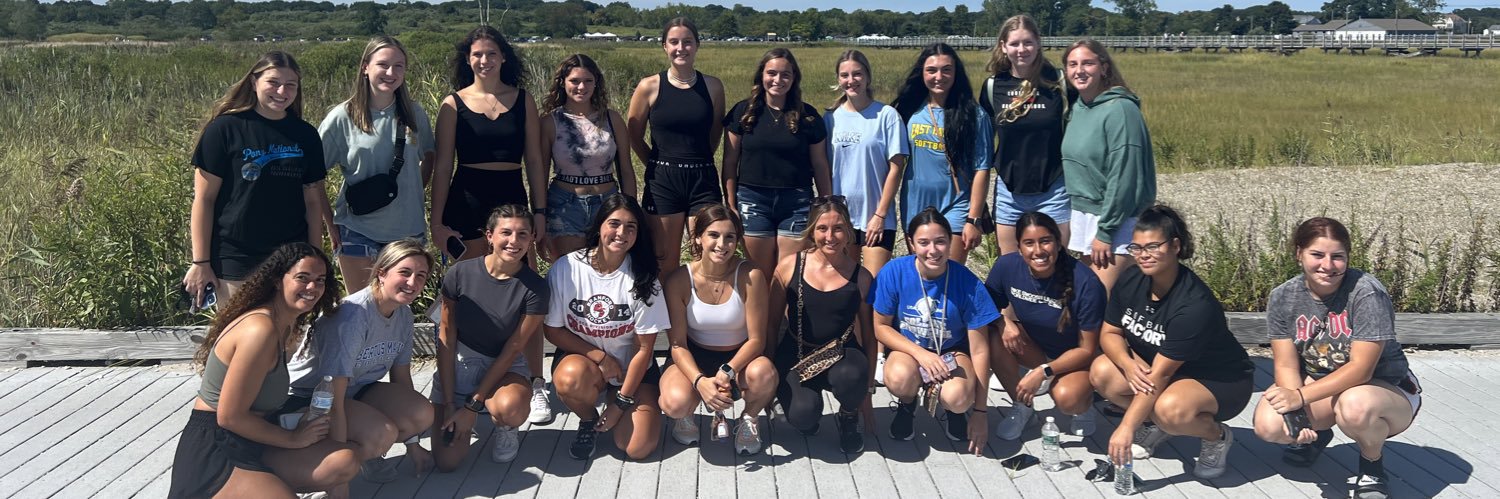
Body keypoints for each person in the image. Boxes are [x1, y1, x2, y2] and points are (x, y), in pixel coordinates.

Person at [428, 26, 552, 427]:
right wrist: (437, 220)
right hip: (467, 199)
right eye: (478, 54)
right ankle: (457, 382)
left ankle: (535, 382)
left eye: (492, 53)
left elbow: (535, 160)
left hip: (512, 197)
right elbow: (443, 165)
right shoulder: (453, 103)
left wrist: (540, 211)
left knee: (525, 292)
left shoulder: (523, 100)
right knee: (466, 296)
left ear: (503, 57)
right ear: (468, 58)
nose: (485, 60)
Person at [169, 243, 357, 499]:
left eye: (320, 280)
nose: (313, 287)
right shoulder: (260, 329)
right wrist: (293, 439)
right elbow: (229, 417)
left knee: (343, 461)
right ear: (278, 280)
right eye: (303, 278)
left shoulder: (285, 324)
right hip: (217, 447)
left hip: (254, 436)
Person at [1253, 217, 1420, 499]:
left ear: (1348, 258)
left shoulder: (1366, 292)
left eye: (1337, 257)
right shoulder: (1283, 296)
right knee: (1270, 424)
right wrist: (1297, 416)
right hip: (1320, 384)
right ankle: (1318, 435)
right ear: (1299, 254)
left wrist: (1301, 398)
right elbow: (1285, 363)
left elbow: (1361, 370)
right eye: (1317, 255)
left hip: (1386, 389)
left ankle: (1372, 466)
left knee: (1355, 405)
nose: (1327, 266)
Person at [1088, 204, 1252, 480]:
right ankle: (1153, 424)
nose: (1143, 255)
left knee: (1169, 411)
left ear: (1175, 246)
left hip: (1219, 379)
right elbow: (1109, 333)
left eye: (1153, 246)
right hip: (1161, 369)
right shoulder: (1131, 279)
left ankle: (1216, 436)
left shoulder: (1193, 304)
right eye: (1136, 248)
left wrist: (1126, 427)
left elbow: (1160, 376)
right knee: (1103, 371)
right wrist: (1127, 364)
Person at [182, 51, 329, 306]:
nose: (282, 91)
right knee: (237, 337)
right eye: (273, 82)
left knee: (286, 337)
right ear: (254, 82)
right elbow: (204, 200)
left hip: (291, 256)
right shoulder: (225, 129)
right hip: (236, 257)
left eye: (290, 85)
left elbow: (313, 202)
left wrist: (315, 258)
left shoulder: (306, 135)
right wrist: (201, 262)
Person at [286, 239, 436, 481]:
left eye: (421, 275)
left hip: (356, 389)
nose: (412, 283)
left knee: (420, 412)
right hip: (309, 395)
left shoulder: (404, 315)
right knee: (381, 434)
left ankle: (365, 452)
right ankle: (315, 469)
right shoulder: (353, 316)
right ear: (382, 273)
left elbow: (402, 379)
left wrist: (413, 444)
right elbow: (332, 396)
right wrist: (338, 467)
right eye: (405, 272)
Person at [545, 193, 668, 461]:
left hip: (632, 371)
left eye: (631, 227)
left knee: (635, 448)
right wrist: (601, 357)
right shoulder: (567, 268)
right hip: (587, 365)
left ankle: (619, 401)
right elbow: (552, 331)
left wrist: (621, 404)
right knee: (568, 379)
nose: (621, 232)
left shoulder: (645, 278)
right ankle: (588, 420)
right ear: (599, 225)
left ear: (638, 234)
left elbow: (644, 349)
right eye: (614, 223)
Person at [427, 205, 549, 467]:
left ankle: (505, 426)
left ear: (531, 239)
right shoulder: (458, 273)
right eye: (506, 232)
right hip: (461, 362)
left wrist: (472, 406)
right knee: (446, 462)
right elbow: (446, 337)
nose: (514, 241)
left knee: (509, 408)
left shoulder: (536, 287)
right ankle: (462, 407)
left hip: (505, 365)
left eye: (523, 234)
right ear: (489, 236)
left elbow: (515, 347)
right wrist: (449, 402)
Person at [318, 36, 436, 293]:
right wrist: (330, 224)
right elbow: (313, 176)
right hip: (357, 230)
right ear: (365, 67)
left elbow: (430, 156)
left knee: (396, 310)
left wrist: (409, 191)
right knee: (360, 311)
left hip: (407, 231)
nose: (390, 72)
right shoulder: (342, 116)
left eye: (399, 66)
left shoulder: (414, 114)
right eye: (383, 65)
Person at [873, 207, 996, 454]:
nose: (933, 250)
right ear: (911, 243)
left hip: (952, 350)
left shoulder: (967, 283)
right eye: (923, 242)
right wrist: (922, 355)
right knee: (898, 377)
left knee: (958, 398)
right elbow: (881, 327)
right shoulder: (894, 271)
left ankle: (953, 413)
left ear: (951, 241)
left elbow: (980, 350)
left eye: (940, 242)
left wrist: (981, 412)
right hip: (910, 348)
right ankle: (907, 405)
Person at [657, 204, 777, 455]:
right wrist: (700, 381)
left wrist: (728, 371)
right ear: (698, 237)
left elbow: (757, 340)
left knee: (765, 374)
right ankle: (685, 417)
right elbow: (677, 344)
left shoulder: (751, 275)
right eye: (713, 235)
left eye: (730, 237)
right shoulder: (679, 280)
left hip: (739, 357)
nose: (722, 244)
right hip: (693, 353)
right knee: (673, 402)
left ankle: (749, 418)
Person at [768, 195, 876, 454]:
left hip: (842, 351)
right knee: (802, 414)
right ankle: (808, 411)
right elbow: (771, 326)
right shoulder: (788, 267)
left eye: (838, 228)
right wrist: (769, 377)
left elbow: (870, 336)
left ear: (848, 230)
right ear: (811, 231)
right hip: (796, 350)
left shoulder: (861, 276)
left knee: (852, 377)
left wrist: (867, 391)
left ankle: (848, 416)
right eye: (822, 228)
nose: (830, 236)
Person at [985, 212, 1106, 440]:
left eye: (1045, 241)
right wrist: (1003, 322)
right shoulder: (1007, 266)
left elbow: (1087, 349)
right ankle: (1023, 408)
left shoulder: (1086, 282)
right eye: (1029, 243)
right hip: (1035, 348)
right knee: (992, 336)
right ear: (1019, 247)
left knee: (1067, 398)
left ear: (1059, 244)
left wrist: (1043, 372)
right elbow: (982, 308)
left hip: (1077, 358)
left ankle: (1085, 404)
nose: (1038, 251)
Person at [627, 17, 727, 274]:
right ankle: (664, 314)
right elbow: (634, 135)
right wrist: (655, 162)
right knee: (663, 259)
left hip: (702, 179)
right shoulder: (649, 86)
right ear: (664, 46)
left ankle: (696, 313)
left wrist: (698, 159)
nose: (681, 48)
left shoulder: (713, 86)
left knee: (705, 255)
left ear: (697, 45)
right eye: (674, 42)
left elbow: (714, 133)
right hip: (663, 180)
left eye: (687, 42)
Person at [722, 47, 832, 278]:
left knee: (788, 275)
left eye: (785, 75)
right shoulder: (743, 112)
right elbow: (730, 162)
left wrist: (826, 205)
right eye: (771, 73)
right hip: (753, 200)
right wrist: (730, 203)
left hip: (796, 202)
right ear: (761, 75)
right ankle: (760, 315)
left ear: (794, 78)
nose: (778, 80)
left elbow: (820, 164)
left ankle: (785, 316)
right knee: (758, 274)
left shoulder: (808, 116)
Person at [1060, 38, 1157, 292]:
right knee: (1088, 300)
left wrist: (1106, 231)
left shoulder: (1121, 109)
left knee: (1099, 302)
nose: (1079, 70)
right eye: (1072, 64)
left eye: (1087, 63)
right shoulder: (1078, 108)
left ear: (1104, 67)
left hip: (1116, 220)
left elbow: (1124, 175)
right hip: (1084, 213)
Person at [891, 43, 993, 265]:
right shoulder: (908, 110)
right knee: (923, 271)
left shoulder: (974, 115)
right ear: (922, 73)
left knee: (950, 273)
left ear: (956, 73)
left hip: (956, 205)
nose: (939, 76)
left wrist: (973, 219)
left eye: (947, 69)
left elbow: (982, 169)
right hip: (915, 204)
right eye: (932, 70)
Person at [980, 16, 1074, 256]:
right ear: (1003, 46)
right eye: (1014, 44)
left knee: (1056, 262)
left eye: (1028, 42)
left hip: (1053, 186)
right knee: (1011, 265)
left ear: (1038, 43)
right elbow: (984, 141)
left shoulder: (1059, 81)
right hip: (1009, 189)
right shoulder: (993, 86)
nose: (1021, 50)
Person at [540, 53, 635, 260]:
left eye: (588, 81)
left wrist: (631, 209)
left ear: (596, 83)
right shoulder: (550, 122)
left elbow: (626, 169)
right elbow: (540, 173)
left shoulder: (612, 119)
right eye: (574, 81)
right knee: (570, 270)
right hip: (566, 203)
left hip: (608, 202)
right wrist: (540, 214)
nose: (581, 87)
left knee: (608, 267)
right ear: (562, 83)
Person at [823, 49, 907, 281]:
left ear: (868, 77)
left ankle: (875, 320)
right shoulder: (830, 118)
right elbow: (824, 167)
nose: (851, 81)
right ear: (838, 80)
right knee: (844, 286)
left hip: (876, 217)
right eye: (845, 75)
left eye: (857, 74)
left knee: (871, 286)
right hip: (842, 219)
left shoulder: (886, 115)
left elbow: (896, 168)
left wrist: (879, 215)